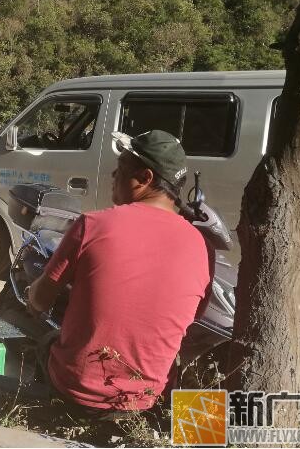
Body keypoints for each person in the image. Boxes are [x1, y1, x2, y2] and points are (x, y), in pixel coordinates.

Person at [27, 129, 211, 419]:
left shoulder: (93, 224)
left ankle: (41, 421)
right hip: (146, 400)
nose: (114, 174)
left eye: (122, 168)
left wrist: (33, 295)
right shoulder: (203, 246)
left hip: (78, 392)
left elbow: (39, 300)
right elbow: (191, 319)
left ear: (146, 178)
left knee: (47, 340)